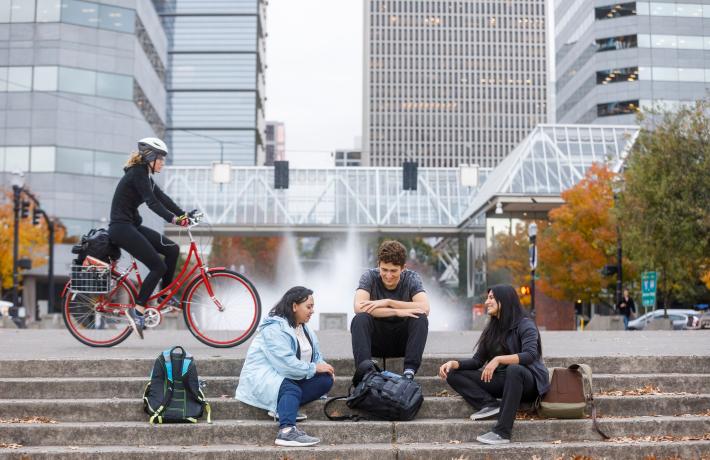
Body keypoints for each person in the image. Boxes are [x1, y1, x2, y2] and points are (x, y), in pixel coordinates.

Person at [438, 284, 549, 445]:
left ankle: (502, 432)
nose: (486, 302)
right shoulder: (492, 328)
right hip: (503, 381)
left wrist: (499, 359)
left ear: (504, 300)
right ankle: (488, 404)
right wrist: (455, 363)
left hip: (528, 382)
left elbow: (530, 355)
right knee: (452, 374)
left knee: (514, 370)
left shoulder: (525, 324)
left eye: (491, 298)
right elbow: (477, 361)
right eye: (487, 298)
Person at [108, 138, 192, 339]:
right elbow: (152, 203)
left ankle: (165, 296)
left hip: (131, 226)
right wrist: (173, 219)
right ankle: (137, 311)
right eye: (160, 158)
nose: (162, 162)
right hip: (121, 228)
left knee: (172, 249)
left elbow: (162, 198)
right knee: (158, 267)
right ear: (150, 157)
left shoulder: (143, 174)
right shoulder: (137, 173)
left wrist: (183, 215)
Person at [235, 286, 334, 447]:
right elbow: (286, 365)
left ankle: (284, 407)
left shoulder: (304, 328)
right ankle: (286, 431)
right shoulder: (274, 328)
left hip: (287, 375)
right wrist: (314, 368)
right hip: (264, 376)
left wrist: (322, 366)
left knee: (325, 380)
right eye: (308, 307)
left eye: (313, 307)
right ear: (294, 306)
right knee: (291, 389)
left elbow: (315, 357)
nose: (312, 311)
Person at [351, 240, 430, 379]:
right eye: (384, 270)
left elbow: (425, 308)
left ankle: (409, 372)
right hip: (376, 340)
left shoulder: (412, 278)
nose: (388, 275)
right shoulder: (369, 276)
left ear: (403, 268)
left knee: (421, 317)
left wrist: (389, 302)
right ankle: (365, 373)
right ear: (378, 265)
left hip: (403, 343)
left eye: (393, 271)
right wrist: (395, 311)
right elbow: (359, 307)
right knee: (360, 319)